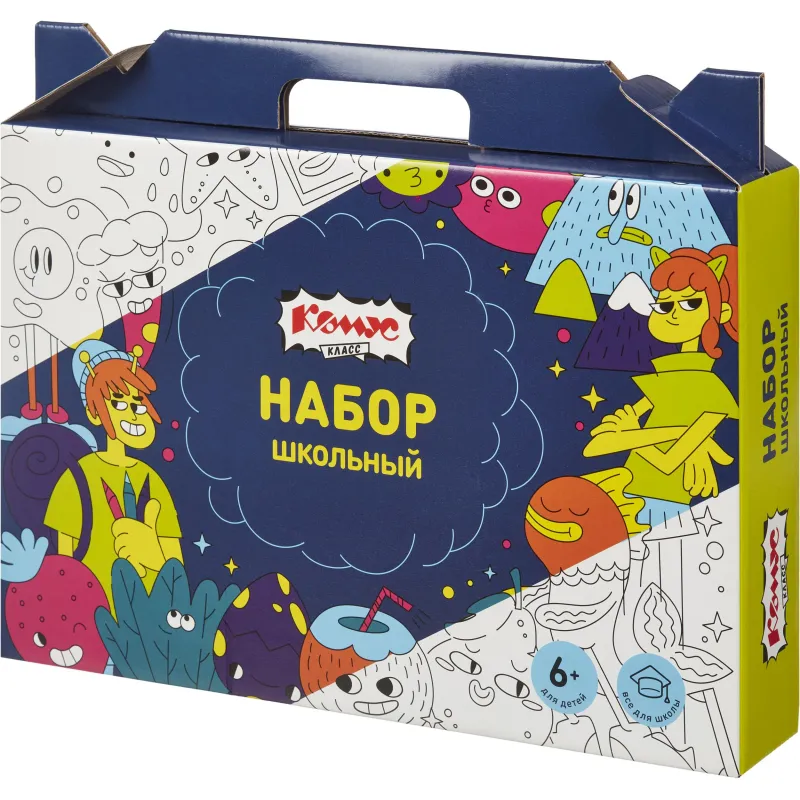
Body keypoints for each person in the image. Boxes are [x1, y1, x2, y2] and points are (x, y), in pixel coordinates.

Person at [583, 244, 739, 529]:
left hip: (667, 503)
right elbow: (596, 446)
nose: (673, 314)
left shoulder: (713, 390)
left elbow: (668, 463)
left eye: (690, 304)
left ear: (722, 313)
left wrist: (633, 432)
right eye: (665, 305)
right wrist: (672, 434)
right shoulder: (663, 378)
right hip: (630, 491)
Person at [44, 339, 182, 614]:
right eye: (118, 403)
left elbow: (176, 569)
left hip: (151, 620)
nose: (133, 413)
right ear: (94, 413)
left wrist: (155, 557)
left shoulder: (152, 480)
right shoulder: (76, 479)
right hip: (93, 616)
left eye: (138, 404)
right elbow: (64, 567)